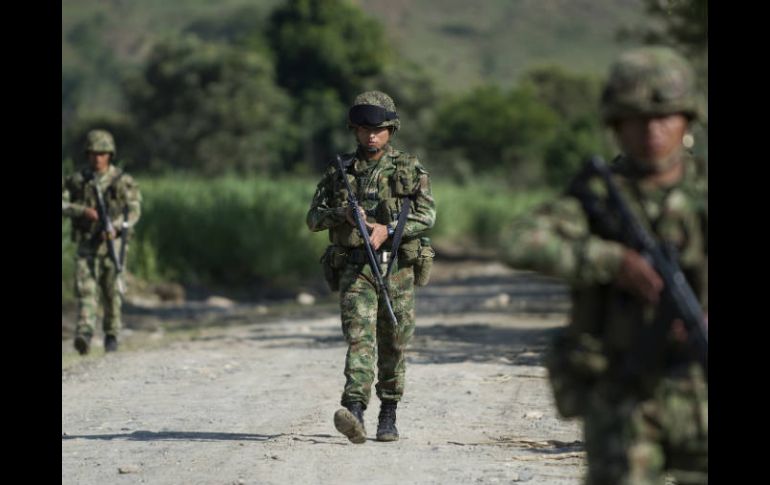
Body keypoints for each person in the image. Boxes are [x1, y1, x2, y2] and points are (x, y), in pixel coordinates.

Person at [499, 47, 707, 484]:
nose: (652, 130)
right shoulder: (597, 196)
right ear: (616, 125)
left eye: (665, 116)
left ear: (688, 120)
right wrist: (610, 260)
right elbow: (520, 241)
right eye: (636, 119)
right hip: (622, 393)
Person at [306, 91, 436, 443]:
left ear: (391, 130)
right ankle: (355, 410)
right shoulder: (340, 172)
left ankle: (389, 414)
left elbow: (427, 215)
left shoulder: (409, 169)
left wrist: (389, 229)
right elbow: (313, 218)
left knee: (394, 340)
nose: (371, 136)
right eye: (363, 129)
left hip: (397, 267)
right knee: (359, 339)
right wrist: (343, 214)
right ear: (354, 130)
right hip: (355, 267)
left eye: (378, 129)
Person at [62, 129, 142, 355]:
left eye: (102, 153)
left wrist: (116, 227)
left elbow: (134, 210)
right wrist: (81, 211)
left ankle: (111, 334)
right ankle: (84, 333)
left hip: (112, 245)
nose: (97, 158)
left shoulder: (122, 181)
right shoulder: (78, 181)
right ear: (87, 154)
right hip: (87, 242)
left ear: (110, 155)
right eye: (93, 153)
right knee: (85, 289)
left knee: (111, 291)